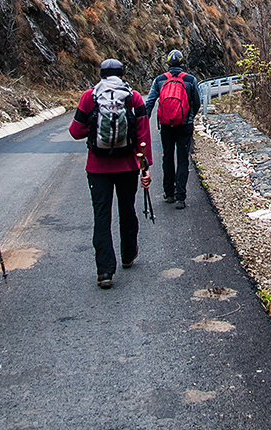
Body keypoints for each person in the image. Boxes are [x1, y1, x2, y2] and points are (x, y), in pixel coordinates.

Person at [70, 57, 152, 288]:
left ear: (101, 75)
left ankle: (105, 271)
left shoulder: (90, 97)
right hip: (127, 166)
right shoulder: (134, 97)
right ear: (122, 74)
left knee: (101, 216)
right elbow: (143, 135)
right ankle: (127, 255)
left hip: (97, 168)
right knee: (127, 210)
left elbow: (75, 131)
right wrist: (145, 168)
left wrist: (94, 128)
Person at [143, 49, 202, 209]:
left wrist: (143, 121)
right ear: (182, 62)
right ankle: (180, 197)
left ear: (168, 63)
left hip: (166, 125)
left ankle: (169, 193)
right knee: (183, 158)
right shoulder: (190, 80)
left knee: (167, 157)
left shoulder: (160, 80)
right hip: (185, 125)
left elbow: (149, 102)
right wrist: (189, 117)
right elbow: (197, 102)